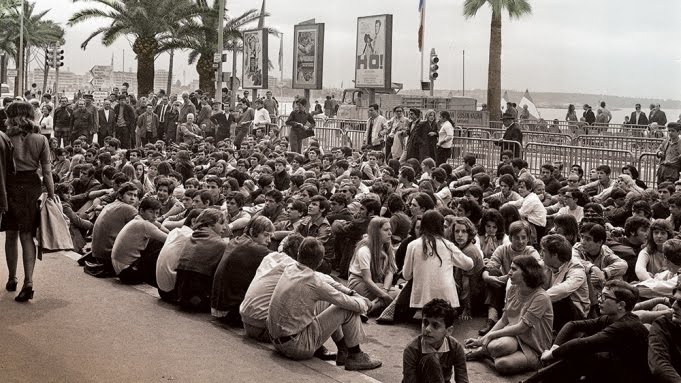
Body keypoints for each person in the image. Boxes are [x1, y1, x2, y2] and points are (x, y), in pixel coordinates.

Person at [267, 237, 382, 371]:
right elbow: (352, 305)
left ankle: (343, 348)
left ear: (298, 254)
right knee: (347, 309)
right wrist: (365, 302)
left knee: (328, 301)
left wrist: (351, 292)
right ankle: (355, 355)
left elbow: (327, 281)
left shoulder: (291, 267)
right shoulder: (315, 283)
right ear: (320, 261)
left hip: (277, 341)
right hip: (296, 347)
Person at [537, 281, 650, 383]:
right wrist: (554, 348)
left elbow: (580, 344)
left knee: (580, 353)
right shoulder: (611, 318)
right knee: (576, 353)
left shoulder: (625, 325)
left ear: (621, 305)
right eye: (600, 295)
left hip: (633, 376)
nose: (599, 299)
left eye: (605, 297)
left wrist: (550, 355)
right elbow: (572, 325)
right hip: (616, 366)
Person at [465, 255, 553, 375]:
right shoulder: (512, 289)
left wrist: (491, 336)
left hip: (534, 346)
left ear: (527, 273)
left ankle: (487, 354)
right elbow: (504, 320)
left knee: (502, 365)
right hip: (515, 336)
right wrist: (481, 340)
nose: (509, 273)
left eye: (514, 269)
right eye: (510, 268)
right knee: (496, 347)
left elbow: (522, 327)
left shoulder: (541, 297)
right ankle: (486, 352)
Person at [2, 102, 54, 302]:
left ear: (11, 117)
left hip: (10, 186)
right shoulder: (41, 139)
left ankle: (12, 278)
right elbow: (47, 172)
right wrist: (51, 194)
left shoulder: (5, 139)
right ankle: (29, 282)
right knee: (27, 236)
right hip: (31, 186)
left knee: (10, 235)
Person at [211, 216, 274, 324]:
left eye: (270, 236)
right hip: (231, 312)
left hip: (216, 306)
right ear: (252, 231)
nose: (268, 240)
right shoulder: (257, 250)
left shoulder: (235, 240)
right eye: (265, 235)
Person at [402, 299, 469, 383]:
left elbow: (462, 379)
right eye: (425, 323)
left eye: (435, 325)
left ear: (448, 331)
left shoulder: (456, 347)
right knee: (431, 359)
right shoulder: (412, 349)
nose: (427, 329)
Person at [175, 208, 227, 312]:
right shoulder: (220, 244)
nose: (225, 227)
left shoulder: (192, 236)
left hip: (180, 294)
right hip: (198, 300)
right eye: (221, 223)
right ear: (210, 224)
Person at [111, 197, 168, 285]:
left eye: (157, 213)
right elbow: (169, 239)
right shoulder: (144, 225)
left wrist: (167, 229)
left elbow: (158, 225)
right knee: (160, 245)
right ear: (141, 211)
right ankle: (158, 281)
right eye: (151, 212)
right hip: (128, 273)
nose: (154, 216)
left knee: (154, 242)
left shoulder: (138, 219)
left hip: (120, 269)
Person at [347, 217, 397, 315]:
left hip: (376, 285)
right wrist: (384, 294)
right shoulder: (364, 250)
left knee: (397, 292)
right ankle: (376, 306)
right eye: (386, 230)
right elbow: (367, 279)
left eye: (390, 229)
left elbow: (390, 271)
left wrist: (385, 291)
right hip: (359, 284)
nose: (390, 233)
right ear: (376, 233)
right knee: (396, 293)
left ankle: (369, 307)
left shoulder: (388, 249)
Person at [541, 234, 590, 333]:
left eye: (544, 251)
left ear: (554, 254)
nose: (541, 253)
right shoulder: (546, 263)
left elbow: (564, 289)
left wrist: (536, 298)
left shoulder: (576, 268)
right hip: (552, 307)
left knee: (560, 299)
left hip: (575, 315)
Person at [648, 278, 681, 381]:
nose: (674, 306)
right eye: (672, 300)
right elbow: (659, 366)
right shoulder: (662, 325)